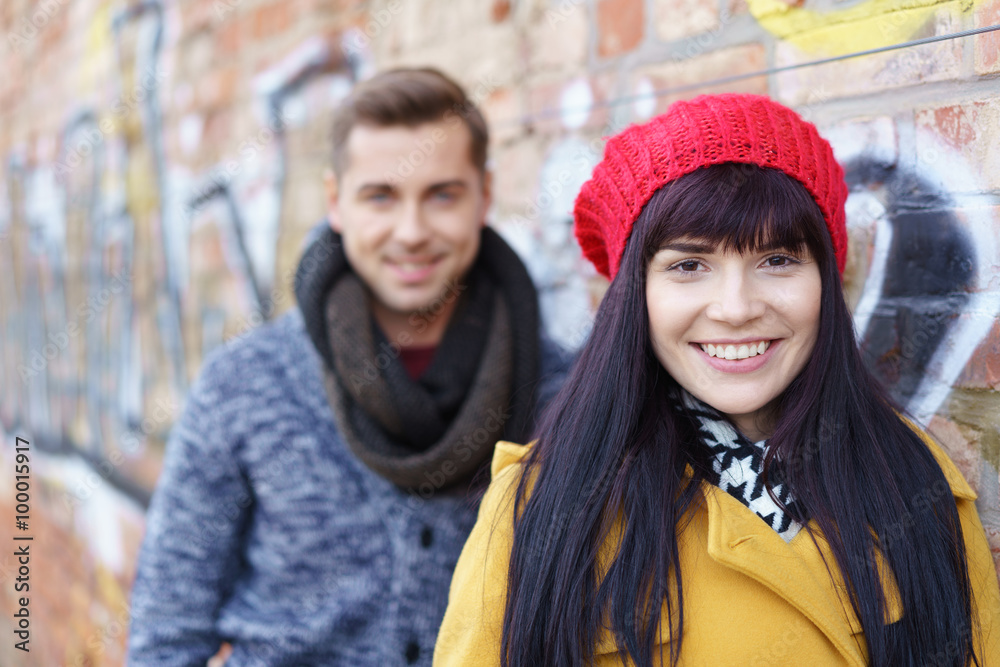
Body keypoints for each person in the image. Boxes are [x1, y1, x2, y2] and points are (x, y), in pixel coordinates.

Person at [433, 94, 1000, 666]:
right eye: (688, 266)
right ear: (637, 296)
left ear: (826, 280)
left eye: (778, 260)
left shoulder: (912, 479)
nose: (735, 308)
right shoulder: (543, 511)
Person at [126, 67, 570, 666]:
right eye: (380, 196)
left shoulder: (561, 394)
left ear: (484, 195)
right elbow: (167, 628)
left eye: (442, 194)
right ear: (336, 201)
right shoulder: (247, 383)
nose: (411, 232)